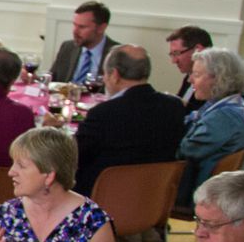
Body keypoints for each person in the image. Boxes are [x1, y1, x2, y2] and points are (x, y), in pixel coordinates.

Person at [70, 45, 186, 193]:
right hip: (155, 197)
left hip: (102, 198)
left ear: (115, 75)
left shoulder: (104, 114)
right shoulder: (174, 107)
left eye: (105, 74)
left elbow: (73, 156)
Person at [177, 46, 244, 207]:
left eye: (196, 75)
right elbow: (189, 121)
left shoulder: (225, 117)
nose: (190, 80)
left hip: (194, 190)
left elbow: (185, 150)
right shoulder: (228, 104)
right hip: (200, 182)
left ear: (218, 79)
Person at [49, 0, 119, 87]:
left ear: (101, 28)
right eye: (74, 25)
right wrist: (35, 78)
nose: (75, 31)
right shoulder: (67, 47)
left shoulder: (118, 54)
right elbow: (51, 80)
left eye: (82, 27)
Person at [165, 25, 214, 110]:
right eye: (172, 55)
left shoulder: (217, 80)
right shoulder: (188, 76)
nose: (174, 61)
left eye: (176, 53)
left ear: (198, 50)